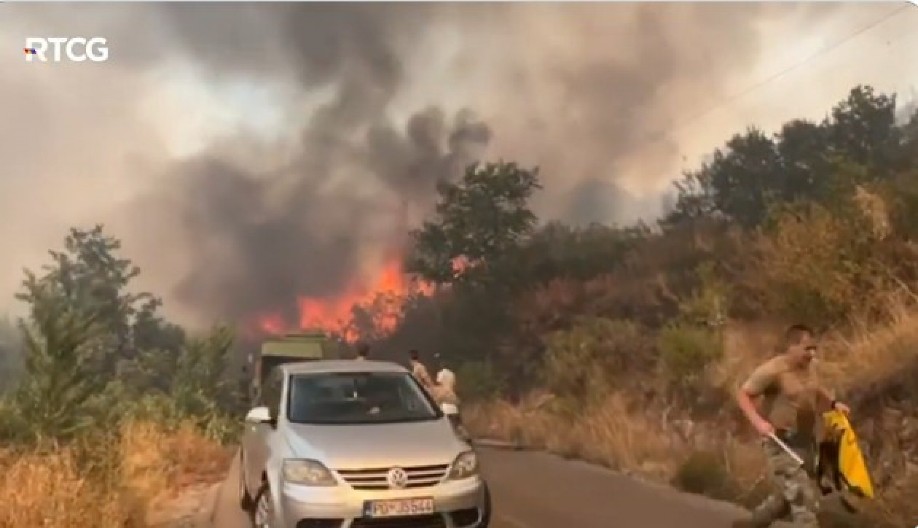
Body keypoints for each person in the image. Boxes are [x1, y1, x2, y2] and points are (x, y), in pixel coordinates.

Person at [732, 324, 851, 528]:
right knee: (803, 499)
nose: (812, 353)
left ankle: (751, 525)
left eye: (814, 348)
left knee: (785, 500)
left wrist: (833, 405)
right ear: (792, 346)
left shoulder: (810, 368)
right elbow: (744, 394)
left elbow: (816, 391)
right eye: (807, 348)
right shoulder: (773, 370)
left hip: (805, 443)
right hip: (781, 443)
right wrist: (758, 422)